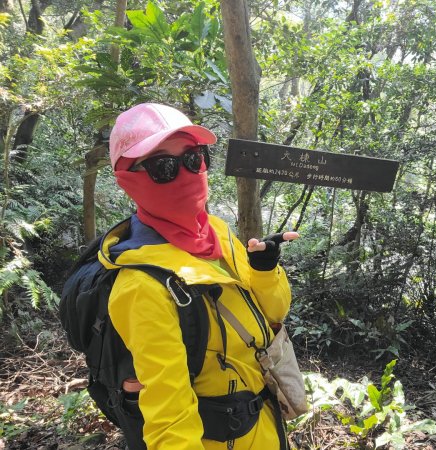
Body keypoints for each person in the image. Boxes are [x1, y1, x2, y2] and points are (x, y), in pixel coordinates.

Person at [101, 102, 298, 449]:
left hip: (266, 423)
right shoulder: (142, 287)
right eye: (163, 166)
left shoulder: (217, 232)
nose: (188, 174)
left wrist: (265, 272)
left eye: (194, 158)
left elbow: (274, 317)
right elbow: (169, 418)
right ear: (127, 180)